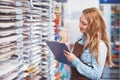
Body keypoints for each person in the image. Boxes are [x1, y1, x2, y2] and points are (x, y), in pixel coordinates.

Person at [64, 7, 114, 80]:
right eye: (80, 21)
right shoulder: (79, 39)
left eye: (84, 23)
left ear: (94, 26)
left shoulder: (100, 46)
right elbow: (73, 62)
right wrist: (64, 56)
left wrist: (75, 60)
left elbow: (95, 75)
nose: (79, 25)